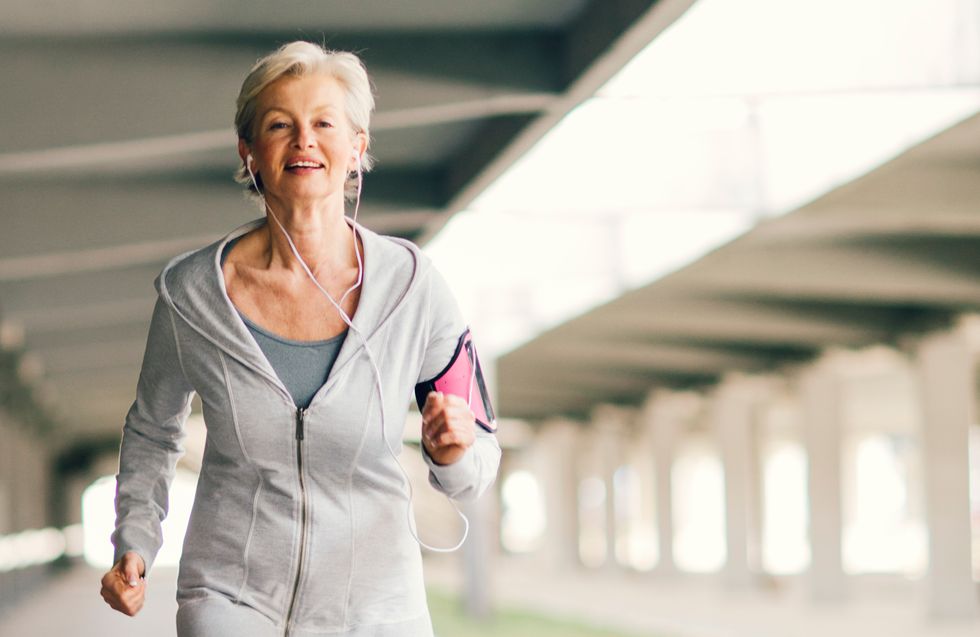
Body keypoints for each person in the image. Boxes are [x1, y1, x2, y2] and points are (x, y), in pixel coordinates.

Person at [99, 40, 501, 637]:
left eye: (323, 124)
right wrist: (135, 539)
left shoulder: (414, 288)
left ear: (357, 147)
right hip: (230, 600)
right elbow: (153, 432)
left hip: (377, 609)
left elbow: (478, 457)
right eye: (280, 125)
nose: (304, 140)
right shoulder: (192, 296)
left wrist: (454, 452)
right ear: (249, 153)